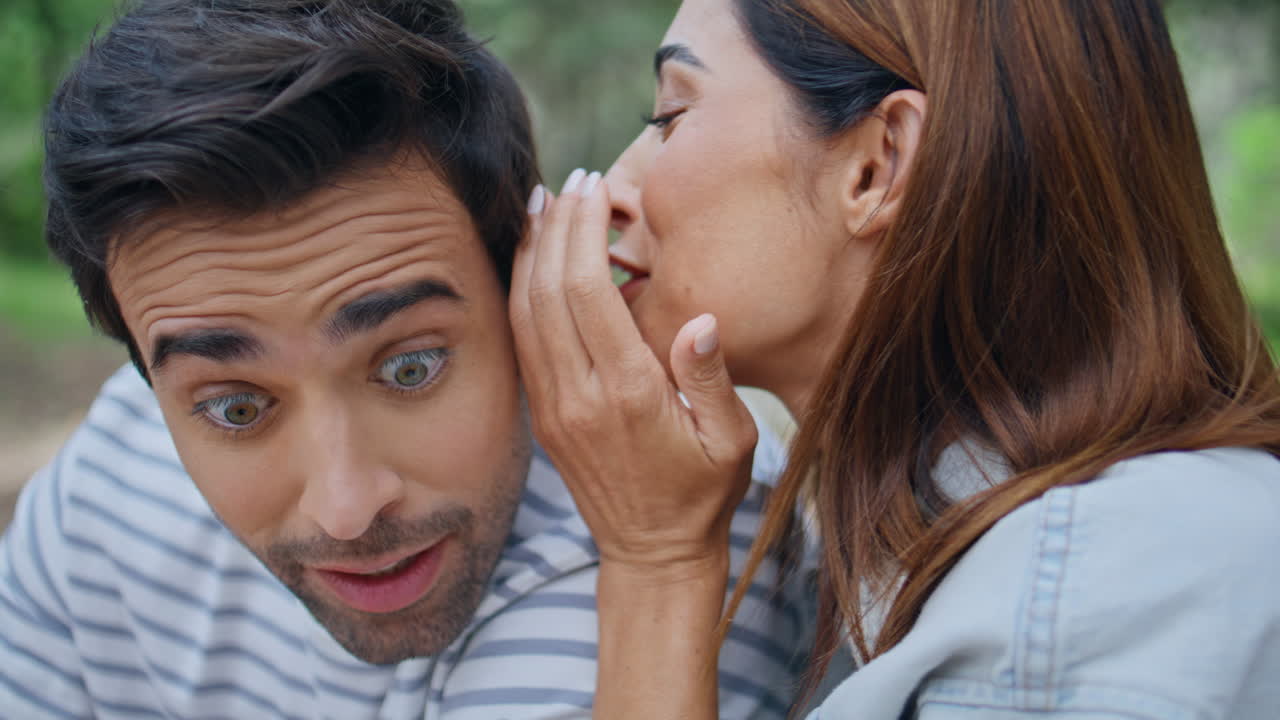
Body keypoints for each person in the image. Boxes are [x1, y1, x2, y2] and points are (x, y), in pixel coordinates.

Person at [0, 1, 812, 718]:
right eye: (236, 407)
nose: (346, 509)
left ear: (527, 289)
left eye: (409, 369)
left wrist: (658, 565)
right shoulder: (105, 489)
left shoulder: (683, 546)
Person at [511, 0, 1280, 717]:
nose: (612, 190)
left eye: (670, 116)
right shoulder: (898, 583)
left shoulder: (1087, 595)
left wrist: (657, 563)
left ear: (877, 166)